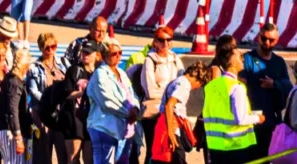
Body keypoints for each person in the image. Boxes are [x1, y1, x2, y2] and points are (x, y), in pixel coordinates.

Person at [201, 46, 263, 164]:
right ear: (233, 62)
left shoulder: (211, 86)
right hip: (235, 146)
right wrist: (257, 118)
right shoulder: (236, 87)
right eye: (240, 56)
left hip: (215, 146)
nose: (243, 59)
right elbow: (240, 119)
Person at [240, 23, 290, 156]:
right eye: (264, 38)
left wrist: (274, 84)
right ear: (258, 37)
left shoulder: (279, 62)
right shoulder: (247, 59)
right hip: (250, 122)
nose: (267, 43)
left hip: (272, 121)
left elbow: (288, 86)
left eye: (271, 40)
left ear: (277, 41)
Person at [87, 41, 140, 164]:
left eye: (120, 53)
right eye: (114, 53)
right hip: (104, 127)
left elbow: (132, 94)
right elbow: (107, 101)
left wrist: (136, 109)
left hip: (124, 129)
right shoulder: (100, 74)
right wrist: (128, 113)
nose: (118, 56)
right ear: (105, 56)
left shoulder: (121, 73)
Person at [139, 27, 183, 164]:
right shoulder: (150, 60)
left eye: (168, 40)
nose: (165, 44)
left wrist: (169, 94)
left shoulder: (176, 59)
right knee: (153, 151)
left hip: (172, 112)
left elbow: (182, 84)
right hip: (154, 114)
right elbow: (150, 91)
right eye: (161, 40)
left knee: (172, 151)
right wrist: (171, 93)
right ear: (155, 42)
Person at [52, 40, 101, 164]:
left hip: (92, 119)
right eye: (84, 52)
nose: (85, 55)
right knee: (73, 158)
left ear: (96, 55)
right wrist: (84, 93)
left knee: (90, 159)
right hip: (74, 119)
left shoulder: (100, 72)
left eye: (89, 53)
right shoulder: (74, 70)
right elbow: (67, 94)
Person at [152, 62, 209, 164]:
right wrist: (171, 134)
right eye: (199, 86)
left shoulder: (178, 80)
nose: (195, 88)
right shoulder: (185, 85)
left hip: (165, 126)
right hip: (171, 129)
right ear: (199, 81)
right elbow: (169, 105)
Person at [27, 32, 67, 164]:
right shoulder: (33, 67)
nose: (50, 50)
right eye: (46, 47)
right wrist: (49, 102)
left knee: (64, 152)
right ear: (40, 48)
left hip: (61, 115)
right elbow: (33, 91)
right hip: (42, 114)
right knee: (42, 153)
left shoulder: (63, 63)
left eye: (53, 46)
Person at [0, 48, 34, 164]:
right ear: (26, 65)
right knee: (14, 162)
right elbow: (12, 110)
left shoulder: (12, 79)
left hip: (15, 128)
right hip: (11, 131)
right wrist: (18, 137)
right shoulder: (14, 82)